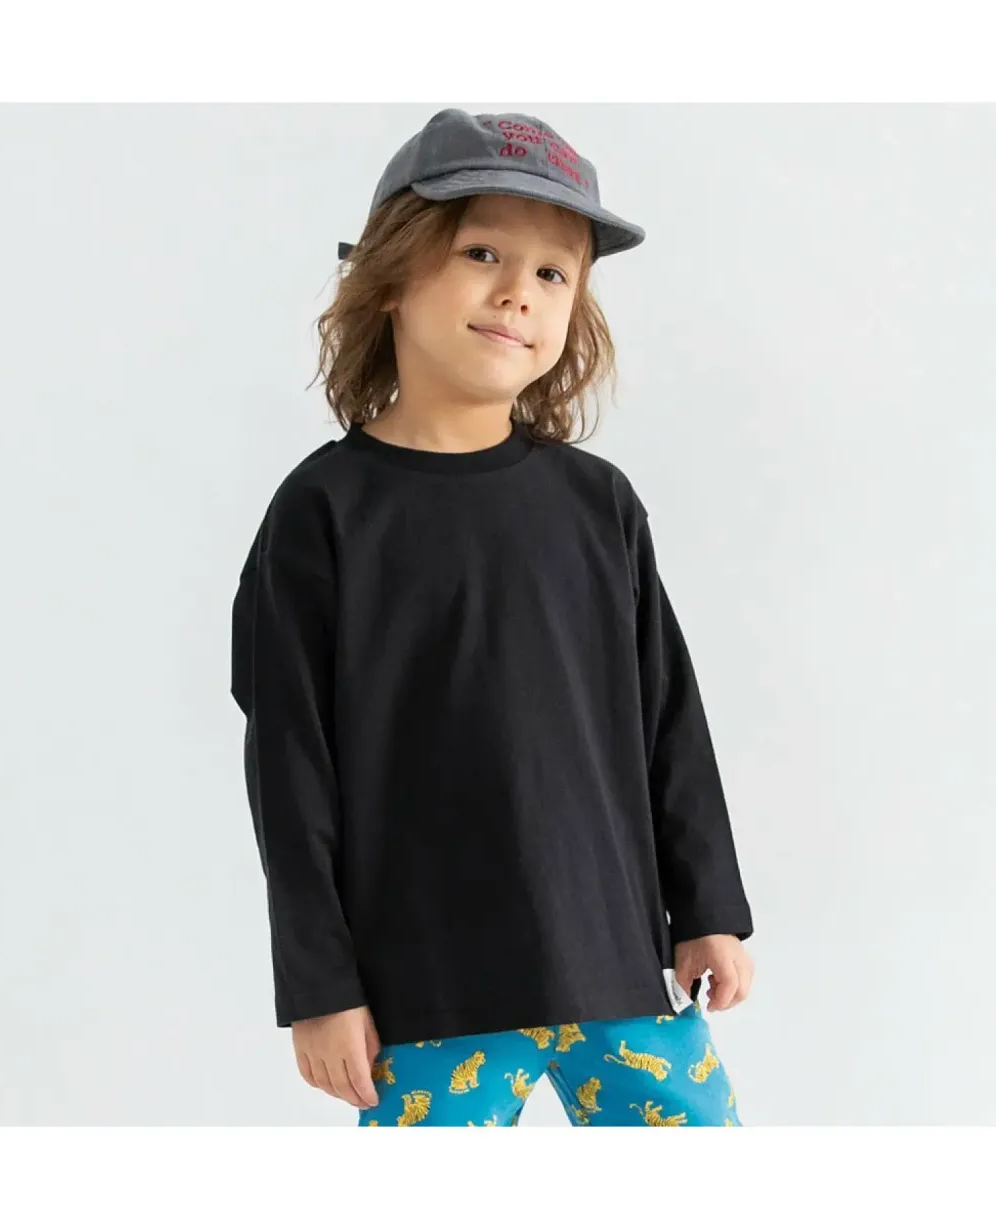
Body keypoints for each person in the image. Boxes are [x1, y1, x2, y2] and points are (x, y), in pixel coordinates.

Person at [230, 108, 755, 1127]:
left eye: (553, 272)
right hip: (428, 991)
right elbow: (289, 768)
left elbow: (669, 720)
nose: (519, 290)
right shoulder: (324, 514)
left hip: (615, 963)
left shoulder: (597, 505)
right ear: (392, 274)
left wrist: (709, 907)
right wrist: (319, 984)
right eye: (482, 253)